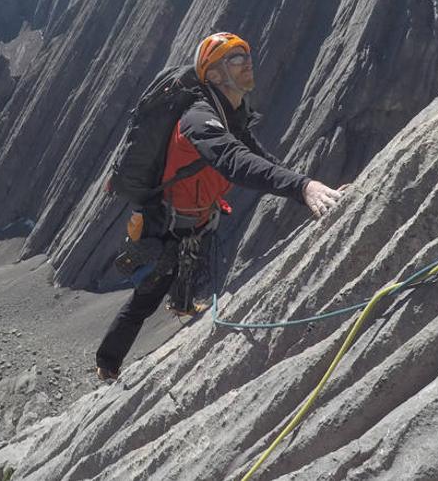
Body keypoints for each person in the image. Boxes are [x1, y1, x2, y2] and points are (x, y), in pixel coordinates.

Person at [95, 32, 343, 381]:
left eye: (247, 56)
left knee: (190, 264)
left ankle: (181, 303)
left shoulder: (231, 113)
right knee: (145, 298)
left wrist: (306, 185)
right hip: (165, 224)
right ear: (212, 75)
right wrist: (302, 188)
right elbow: (232, 160)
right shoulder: (199, 118)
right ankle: (107, 364)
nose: (247, 65)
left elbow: (258, 157)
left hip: (195, 218)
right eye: (236, 60)